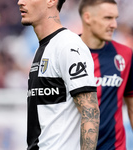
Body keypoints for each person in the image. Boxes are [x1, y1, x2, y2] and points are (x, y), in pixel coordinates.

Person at [17, 0, 100, 149]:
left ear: (51, 1)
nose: (20, 2)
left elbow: (90, 110)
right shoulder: (43, 48)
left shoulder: (68, 45)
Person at [78, 0, 133, 149]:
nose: (114, 25)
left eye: (115, 18)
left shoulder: (125, 55)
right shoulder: (66, 53)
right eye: (108, 18)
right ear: (88, 18)